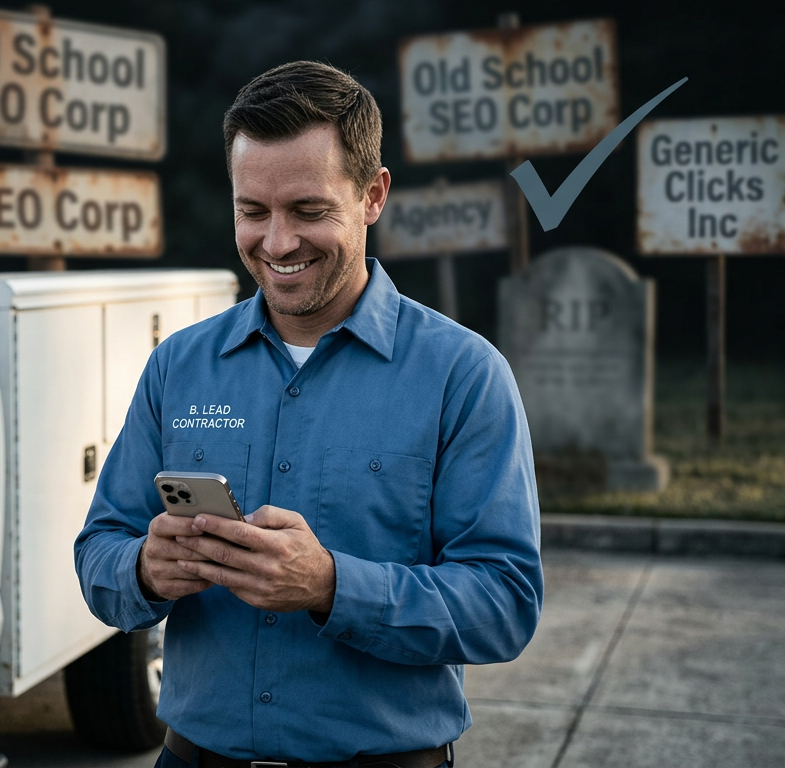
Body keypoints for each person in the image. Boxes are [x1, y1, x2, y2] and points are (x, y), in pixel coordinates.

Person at [73, 60, 542, 768]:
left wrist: (330, 585)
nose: (278, 242)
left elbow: (505, 603)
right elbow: (97, 552)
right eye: (252, 211)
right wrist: (142, 569)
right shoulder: (179, 365)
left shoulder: (463, 376)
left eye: (309, 210)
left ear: (373, 195)